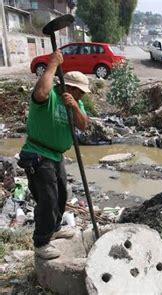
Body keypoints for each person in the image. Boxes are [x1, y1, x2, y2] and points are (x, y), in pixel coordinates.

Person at [18, 49, 90, 260]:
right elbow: (40, 93)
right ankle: (41, 242)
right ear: (70, 87)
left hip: (56, 155)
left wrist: (75, 106)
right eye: (81, 92)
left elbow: (84, 125)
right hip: (38, 154)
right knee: (48, 199)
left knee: (61, 195)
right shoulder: (47, 97)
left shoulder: (76, 101)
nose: (83, 95)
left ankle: (55, 227)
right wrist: (52, 65)